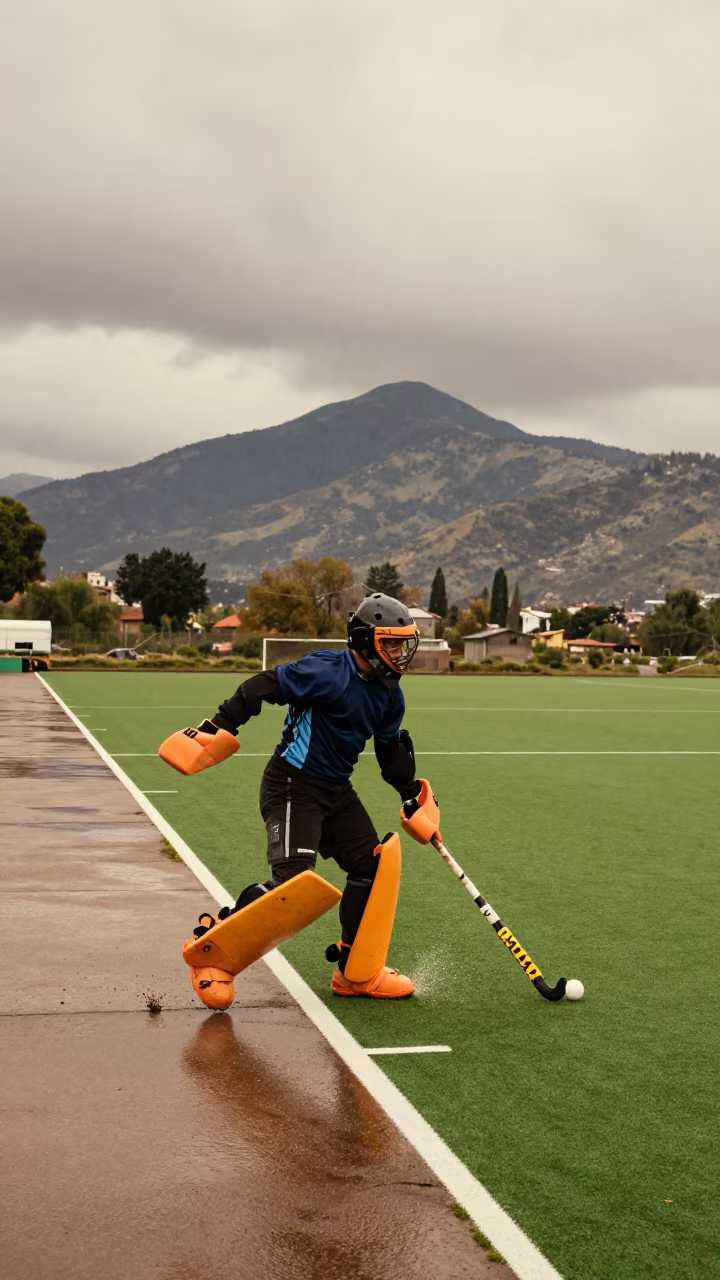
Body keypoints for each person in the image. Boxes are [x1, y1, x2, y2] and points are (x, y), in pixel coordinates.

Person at [161, 593, 435, 1004]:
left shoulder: (389, 694)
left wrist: (411, 794)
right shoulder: (325, 671)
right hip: (292, 785)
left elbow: (388, 752)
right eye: (391, 642)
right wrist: (217, 726)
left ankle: (355, 972)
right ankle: (211, 953)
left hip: (336, 791)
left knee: (371, 867)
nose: (400, 652)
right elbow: (261, 686)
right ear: (366, 641)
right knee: (294, 885)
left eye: (403, 643)